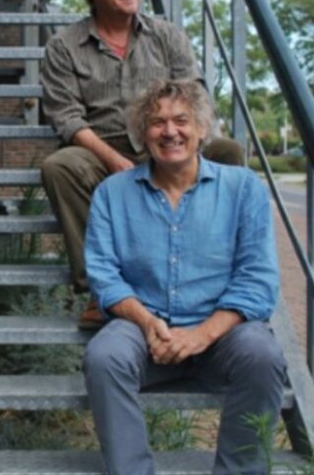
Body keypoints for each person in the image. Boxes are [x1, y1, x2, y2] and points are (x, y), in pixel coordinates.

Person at [83, 80, 286, 475]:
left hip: (222, 333)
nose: (170, 131)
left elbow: (258, 279)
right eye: (157, 122)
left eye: (181, 120)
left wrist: (202, 334)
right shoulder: (111, 193)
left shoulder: (243, 188)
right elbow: (104, 276)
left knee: (263, 354)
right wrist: (147, 322)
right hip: (144, 331)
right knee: (104, 356)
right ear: (142, 134)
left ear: (202, 128)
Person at [40, 0, 243, 328]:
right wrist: (114, 160)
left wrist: (185, 147)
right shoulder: (63, 47)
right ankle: (101, 291)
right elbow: (66, 117)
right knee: (60, 166)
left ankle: (216, 278)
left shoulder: (167, 36)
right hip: (103, 149)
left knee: (228, 153)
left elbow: (195, 99)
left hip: (168, 139)